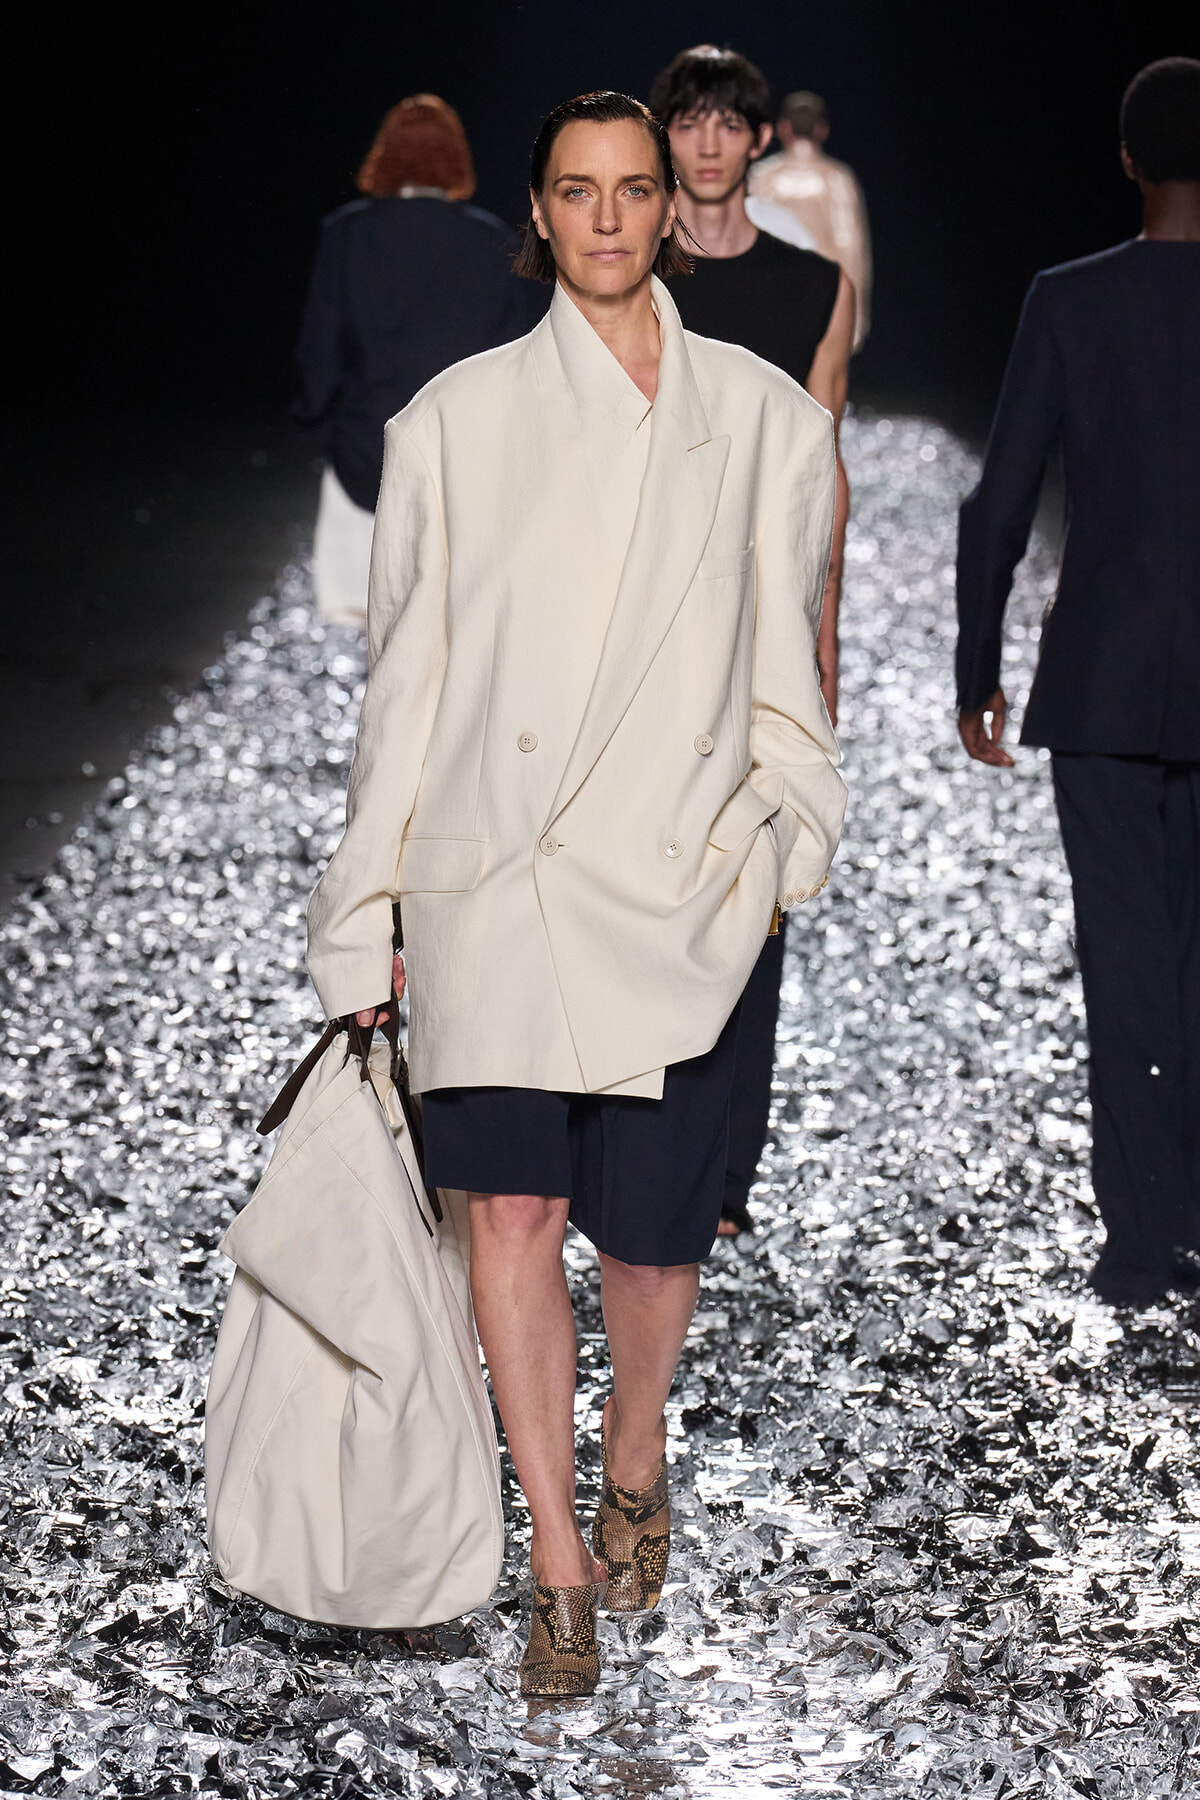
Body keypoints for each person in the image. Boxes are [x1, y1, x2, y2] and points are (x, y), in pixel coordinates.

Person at [306, 90, 845, 1695]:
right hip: (497, 879)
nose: (607, 217)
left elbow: (785, 666)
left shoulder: (764, 421)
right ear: (535, 215)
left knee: (656, 1242)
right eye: (575, 190)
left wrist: (784, 844)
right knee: (517, 1213)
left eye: (631, 189)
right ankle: (554, 1548)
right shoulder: (450, 424)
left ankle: (634, 1447)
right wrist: (363, 917)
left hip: (681, 886)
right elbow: (404, 693)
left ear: (668, 210)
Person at [956, 57, 1200, 1308]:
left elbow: (1000, 501)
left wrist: (977, 669)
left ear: (1126, 160)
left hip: (1104, 683)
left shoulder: (1071, 300)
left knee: (1125, 957)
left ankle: (1144, 1240)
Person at [650, 44, 855, 1236]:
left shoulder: (815, 286)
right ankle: (640, 1141)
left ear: (760, 139)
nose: (710, 142)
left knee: (754, 886)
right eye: (691, 121)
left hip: (763, 622)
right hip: (643, 622)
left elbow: (826, 466)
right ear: (665, 133)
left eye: (730, 123)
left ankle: (725, 1172)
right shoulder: (625, 278)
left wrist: (825, 636)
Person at [293, 95, 535, 625]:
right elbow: (514, 354)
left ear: (385, 155)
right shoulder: (489, 240)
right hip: (459, 457)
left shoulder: (346, 234)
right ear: (456, 158)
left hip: (365, 447)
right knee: (452, 620)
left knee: (368, 622)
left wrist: (313, 415)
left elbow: (321, 343)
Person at [750, 90, 872, 350]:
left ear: (783, 128)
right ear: (821, 130)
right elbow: (851, 250)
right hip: (822, 301)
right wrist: (856, 317)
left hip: (770, 300)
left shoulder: (762, 177)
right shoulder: (837, 179)